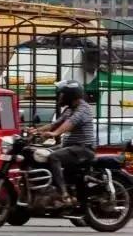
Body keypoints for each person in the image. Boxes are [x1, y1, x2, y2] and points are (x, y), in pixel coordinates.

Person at [33, 79, 95, 207]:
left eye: (62, 94)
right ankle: (48, 189)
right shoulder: (69, 109)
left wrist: (56, 133)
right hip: (71, 147)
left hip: (83, 149)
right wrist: (35, 131)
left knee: (53, 157)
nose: (60, 96)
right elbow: (55, 124)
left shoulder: (83, 109)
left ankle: (63, 194)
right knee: (41, 153)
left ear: (70, 95)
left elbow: (70, 123)